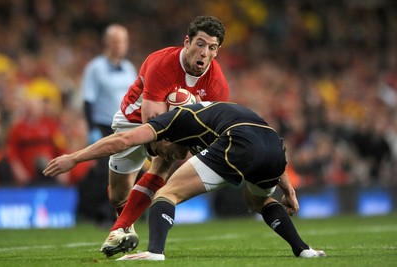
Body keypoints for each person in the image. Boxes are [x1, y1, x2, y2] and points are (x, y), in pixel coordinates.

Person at [43, 101, 326, 260]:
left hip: (240, 141)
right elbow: (265, 141)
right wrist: (287, 188)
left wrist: (75, 158)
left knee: (167, 194)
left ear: (164, 138)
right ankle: (304, 250)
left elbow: (124, 139)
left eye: (157, 150)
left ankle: (154, 252)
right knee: (258, 200)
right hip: (273, 146)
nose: (163, 156)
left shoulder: (173, 119)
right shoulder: (211, 113)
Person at [98, 16, 228, 254]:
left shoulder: (217, 84)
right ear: (187, 42)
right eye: (200, 44)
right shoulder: (161, 63)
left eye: (212, 47)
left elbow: (213, 129)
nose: (204, 52)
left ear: (217, 51)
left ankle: (119, 229)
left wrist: (192, 134)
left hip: (173, 123)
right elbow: (153, 131)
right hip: (133, 120)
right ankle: (123, 217)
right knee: (118, 196)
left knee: (166, 162)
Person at [80, 24, 138, 224]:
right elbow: (88, 100)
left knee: (129, 169)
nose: (119, 45)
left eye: (122, 41)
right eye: (115, 41)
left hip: (127, 126)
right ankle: (104, 214)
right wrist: (92, 129)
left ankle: (119, 212)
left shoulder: (129, 68)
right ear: (107, 43)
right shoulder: (95, 68)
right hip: (105, 125)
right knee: (107, 171)